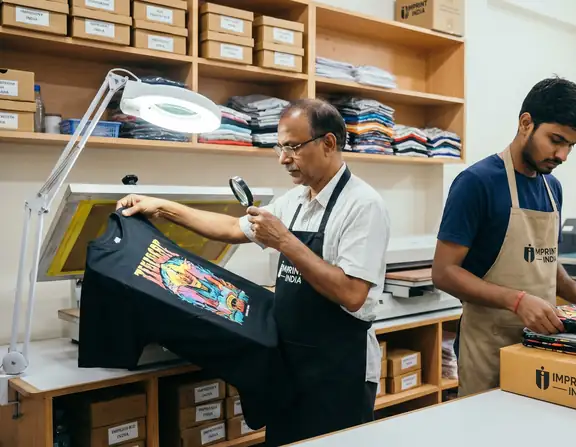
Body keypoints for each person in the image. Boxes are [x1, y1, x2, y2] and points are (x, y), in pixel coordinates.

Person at [116, 98, 391, 446]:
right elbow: (233, 227)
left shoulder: (362, 205)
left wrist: (285, 241)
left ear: (328, 143)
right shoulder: (296, 201)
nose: (283, 159)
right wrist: (162, 207)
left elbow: (352, 294)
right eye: (280, 148)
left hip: (339, 373)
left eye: (292, 147)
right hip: (291, 367)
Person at [431, 77, 576, 398]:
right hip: (489, 348)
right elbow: (444, 273)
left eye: (571, 146)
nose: (563, 155)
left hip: (545, 345)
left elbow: (543, 260)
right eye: (556, 140)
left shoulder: (552, 188)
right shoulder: (477, 183)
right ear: (526, 123)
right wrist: (516, 301)